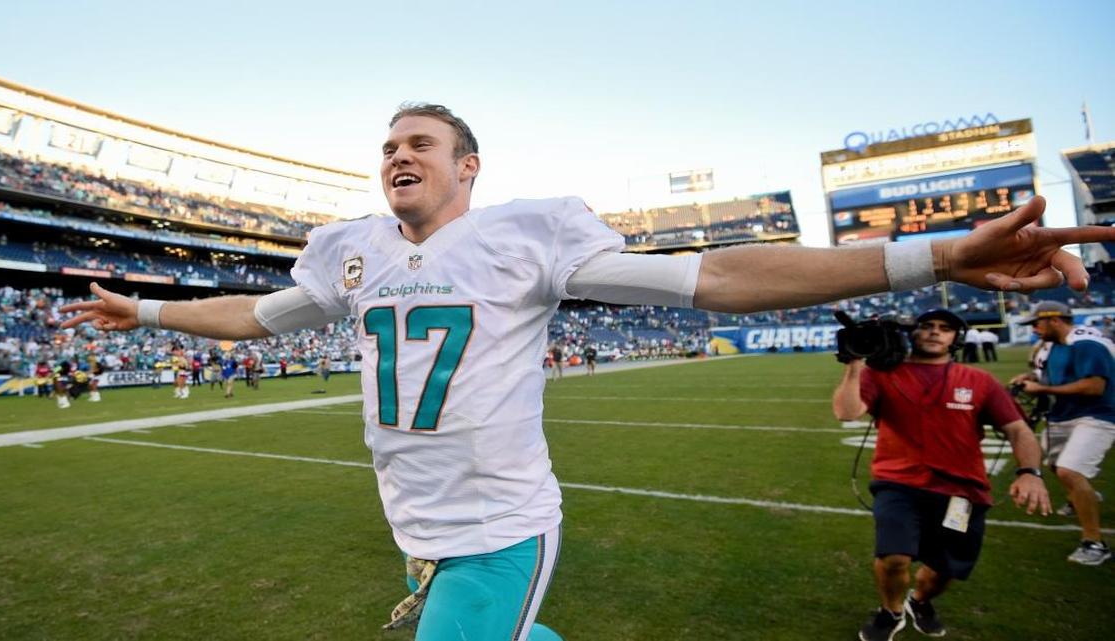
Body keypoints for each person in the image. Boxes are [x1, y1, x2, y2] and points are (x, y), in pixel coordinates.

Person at [59, 103, 1115, 641]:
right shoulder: (348, 247)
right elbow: (256, 312)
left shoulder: (529, 233)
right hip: (415, 518)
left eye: (422, 141)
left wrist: (933, 252)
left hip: (500, 522)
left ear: (468, 167)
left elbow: (715, 277)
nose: (398, 153)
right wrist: (144, 307)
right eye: (387, 142)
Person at [833, 309, 1050, 641]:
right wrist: (855, 363)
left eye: (945, 328)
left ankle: (919, 602)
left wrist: (1030, 472)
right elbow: (846, 412)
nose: (935, 332)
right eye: (928, 326)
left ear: (955, 338)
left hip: (961, 492)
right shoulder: (881, 374)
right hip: (899, 484)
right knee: (893, 558)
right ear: (913, 333)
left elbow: (1018, 430)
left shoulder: (979, 381)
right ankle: (890, 611)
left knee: (945, 570)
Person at [1012, 301, 1114, 566]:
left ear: (1055, 320)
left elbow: (1094, 387)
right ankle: (1083, 495)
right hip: (1064, 415)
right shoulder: (1056, 345)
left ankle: (1094, 543)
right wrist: (1028, 378)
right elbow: (1048, 375)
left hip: (1097, 414)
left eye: (1036, 323)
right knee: (1055, 464)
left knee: (1070, 470)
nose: (1033, 329)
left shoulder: (1087, 343)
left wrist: (1042, 391)